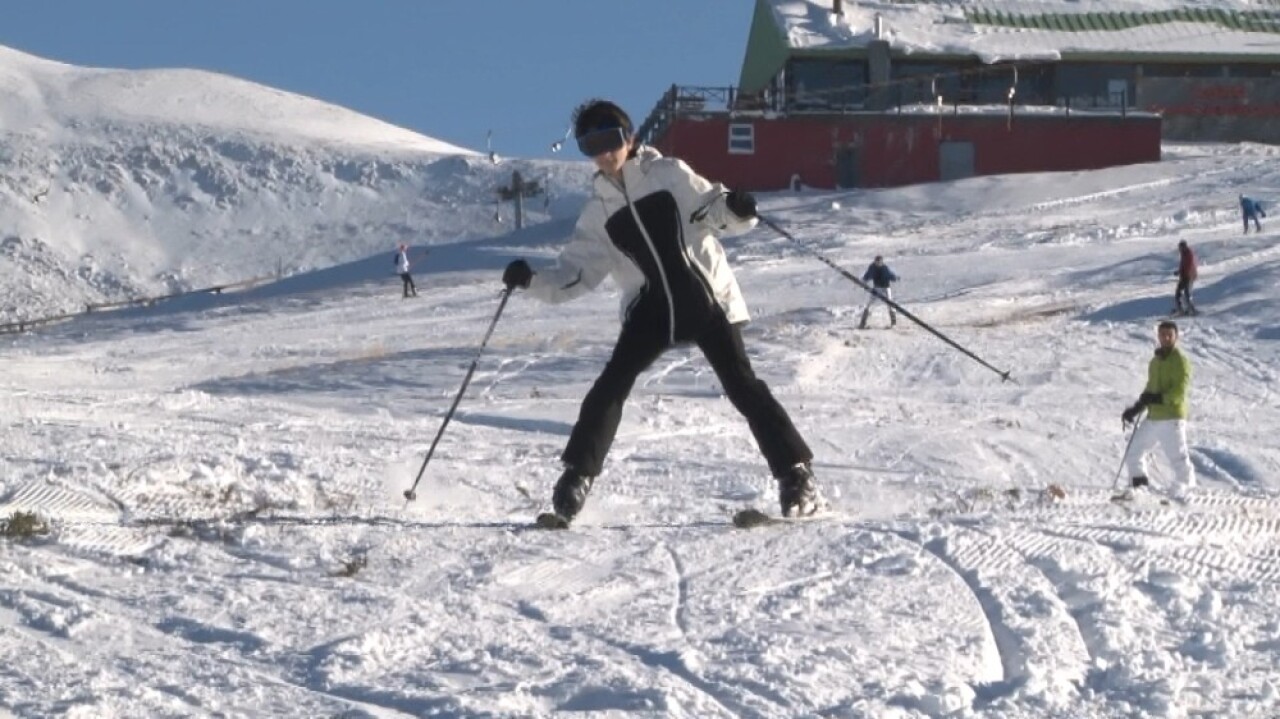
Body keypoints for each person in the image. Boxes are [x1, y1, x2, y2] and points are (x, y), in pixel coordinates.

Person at [501, 99, 819, 524]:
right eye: (590, 144)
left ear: (629, 138)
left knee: (742, 384)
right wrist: (530, 280)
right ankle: (576, 478)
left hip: (702, 295)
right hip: (650, 306)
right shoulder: (598, 212)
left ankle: (796, 475)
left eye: (610, 139)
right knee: (611, 385)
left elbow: (713, 208)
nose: (603, 152)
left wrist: (736, 210)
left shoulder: (668, 175)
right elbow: (576, 274)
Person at [1119, 320, 1195, 498]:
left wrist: (1158, 398)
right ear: (1158, 336)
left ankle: (1188, 491)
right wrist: (1137, 408)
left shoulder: (1181, 361)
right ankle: (1139, 487)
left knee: (1178, 457)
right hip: (1154, 417)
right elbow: (1151, 388)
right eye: (1163, 335)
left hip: (1171, 418)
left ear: (1176, 337)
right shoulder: (1155, 361)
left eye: (1170, 335)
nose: (1166, 338)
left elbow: (1179, 392)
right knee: (1134, 450)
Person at [858, 256, 900, 329]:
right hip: (877, 288)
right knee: (869, 305)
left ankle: (893, 323)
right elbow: (868, 275)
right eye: (877, 262)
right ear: (875, 261)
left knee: (890, 305)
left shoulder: (885, 268)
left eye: (880, 262)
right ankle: (862, 323)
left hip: (886, 288)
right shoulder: (872, 267)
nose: (878, 263)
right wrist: (864, 280)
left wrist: (895, 278)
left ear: (882, 262)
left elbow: (890, 276)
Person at [1173, 240, 1197, 316]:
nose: (1179, 249)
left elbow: (1189, 265)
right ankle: (1181, 309)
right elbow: (1183, 265)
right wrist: (1179, 272)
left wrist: (1184, 274)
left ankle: (1191, 310)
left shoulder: (1188, 254)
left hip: (1189, 276)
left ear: (1184, 247)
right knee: (1178, 293)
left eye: (1180, 247)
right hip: (1185, 276)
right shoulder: (1183, 254)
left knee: (1187, 293)